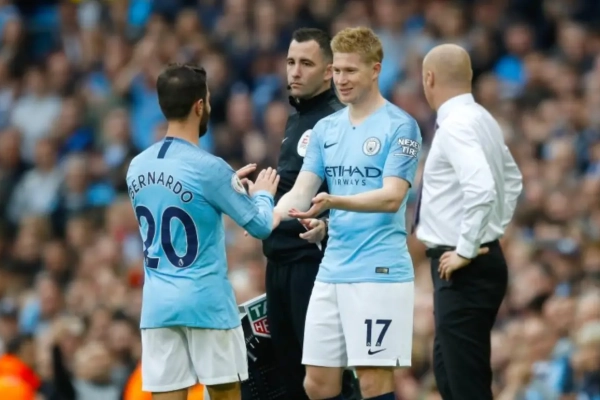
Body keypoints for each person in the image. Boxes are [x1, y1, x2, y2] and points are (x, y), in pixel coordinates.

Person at [274, 27, 422, 400]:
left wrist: (334, 202)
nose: (341, 79)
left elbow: (392, 197)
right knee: (317, 383)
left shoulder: (401, 126)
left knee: (373, 380)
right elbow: (301, 190)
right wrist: (264, 214)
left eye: (350, 71)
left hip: (379, 270)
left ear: (375, 70)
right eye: (337, 70)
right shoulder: (326, 128)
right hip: (332, 268)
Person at [125, 64, 280, 400]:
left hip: (158, 307)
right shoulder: (209, 167)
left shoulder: (136, 167)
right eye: (207, 99)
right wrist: (261, 195)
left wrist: (226, 187)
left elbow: (178, 200)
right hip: (205, 303)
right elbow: (261, 225)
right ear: (199, 106)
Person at [414, 44, 523, 400]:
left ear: (429, 78)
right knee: (449, 378)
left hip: (464, 268)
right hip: (473, 262)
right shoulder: (481, 119)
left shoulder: (456, 126)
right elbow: (513, 179)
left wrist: (467, 247)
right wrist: (490, 231)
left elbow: (482, 187)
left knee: (465, 387)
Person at [261, 27, 344, 400]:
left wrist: (326, 224)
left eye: (306, 63)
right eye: (291, 61)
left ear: (328, 72)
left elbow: (351, 193)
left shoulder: (338, 121)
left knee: (321, 382)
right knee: (291, 380)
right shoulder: (297, 117)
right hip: (279, 261)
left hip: (311, 264)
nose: (295, 71)